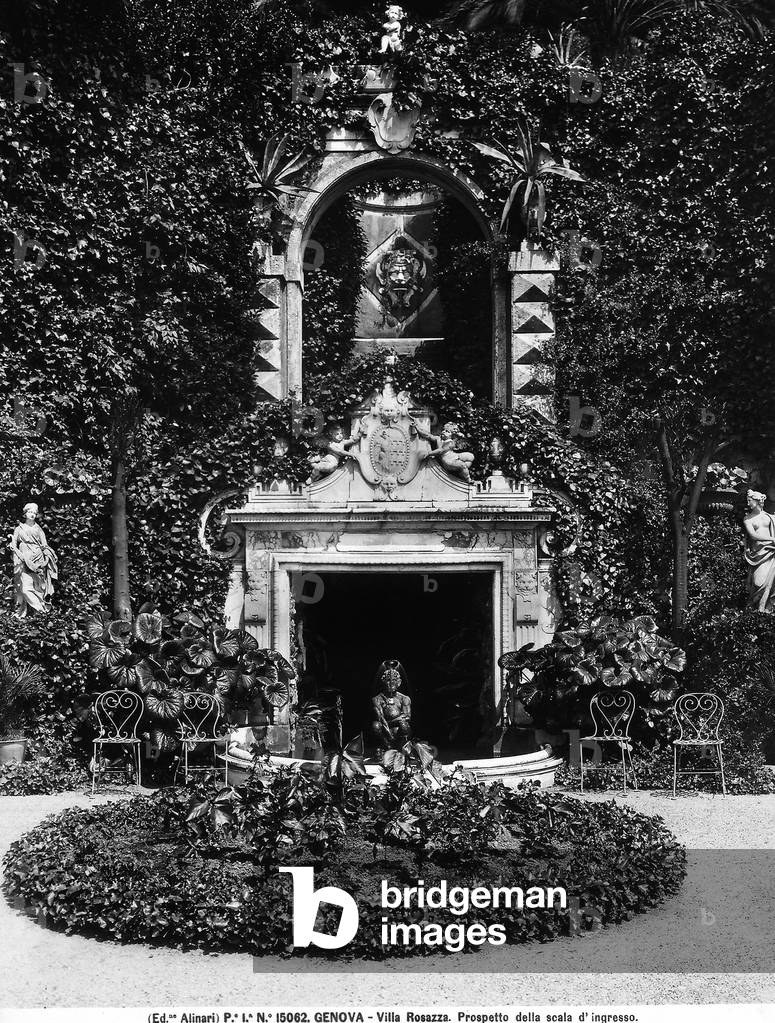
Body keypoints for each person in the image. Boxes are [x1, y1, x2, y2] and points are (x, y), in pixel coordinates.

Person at [9, 502, 58, 617]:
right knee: (25, 588)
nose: (32, 515)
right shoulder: (19, 528)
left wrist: (46, 561)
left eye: (34, 513)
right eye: (30, 512)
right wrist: (17, 553)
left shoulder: (38, 529)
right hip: (23, 560)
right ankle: (42, 611)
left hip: (37, 559)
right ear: (25, 514)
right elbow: (13, 545)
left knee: (38, 588)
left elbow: (44, 546)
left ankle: (40, 614)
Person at [743, 489, 775, 613]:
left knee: (770, 584)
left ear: (757, 501)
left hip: (771, 552)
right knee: (757, 582)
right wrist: (772, 539)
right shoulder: (748, 519)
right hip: (758, 554)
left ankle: (764, 610)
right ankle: (754, 610)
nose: (748, 503)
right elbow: (753, 536)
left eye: (750, 501)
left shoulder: (770, 517)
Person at [371, 659, 412, 750]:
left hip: (399, 728)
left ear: (399, 682)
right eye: (388, 681)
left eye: (394, 680)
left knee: (404, 724)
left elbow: (407, 716)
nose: (391, 683)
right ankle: (386, 746)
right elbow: (380, 718)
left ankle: (402, 748)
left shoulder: (404, 698)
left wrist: (391, 722)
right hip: (385, 730)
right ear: (383, 682)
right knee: (375, 725)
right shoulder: (377, 699)